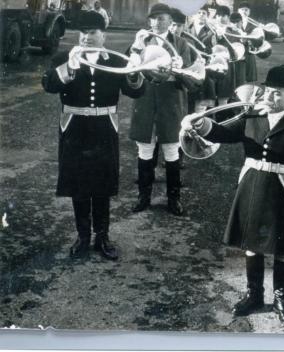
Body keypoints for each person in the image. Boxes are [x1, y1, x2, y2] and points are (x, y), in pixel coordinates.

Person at [181, 65, 284, 325]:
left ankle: (281, 299)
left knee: (283, 249)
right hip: (253, 185)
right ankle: (254, 294)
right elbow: (222, 132)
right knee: (250, 244)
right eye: (267, 91)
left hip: (283, 189)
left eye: (277, 93)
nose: (270, 97)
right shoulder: (251, 117)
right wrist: (199, 123)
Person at [41, 11, 145, 260]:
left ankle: (102, 237)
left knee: (101, 184)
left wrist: (133, 72)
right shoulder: (63, 57)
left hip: (103, 127)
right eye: (83, 32)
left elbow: (136, 92)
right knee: (78, 184)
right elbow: (48, 85)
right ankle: (83, 236)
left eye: (92, 33)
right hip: (74, 127)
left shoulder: (115, 61)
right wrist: (69, 69)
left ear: (103, 35)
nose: (86, 37)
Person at [128, 3, 192, 215]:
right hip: (146, 101)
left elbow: (192, 80)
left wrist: (180, 67)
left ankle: (174, 199)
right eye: (153, 19)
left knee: (171, 151)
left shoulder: (181, 43)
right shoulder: (141, 41)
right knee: (145, 150)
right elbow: (129, 71)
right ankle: (143, 197)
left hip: (170, 102)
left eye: (162, 18)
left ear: (170, 22)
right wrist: (136, 48)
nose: (157, 23)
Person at [237, 2, 258, 83]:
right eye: (242, 10)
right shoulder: (234, 22)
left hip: (249, 52)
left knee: (249, 77)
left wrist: (251, 42)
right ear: (238, 11)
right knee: (238, 76)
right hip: (238, 51)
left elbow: (257, 38)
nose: (244, 12)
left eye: (246, 10)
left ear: (249, 12)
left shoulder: (254, 24)